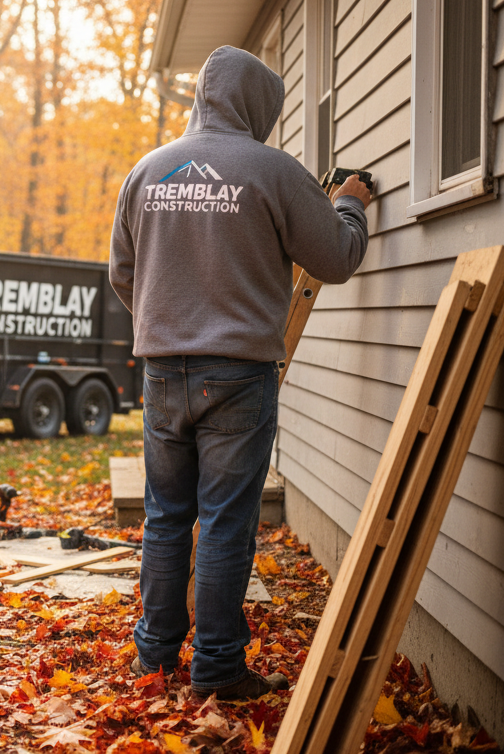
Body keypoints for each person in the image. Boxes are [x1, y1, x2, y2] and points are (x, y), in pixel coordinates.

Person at [109, 45, 372, 701]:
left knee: (168, 516)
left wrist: (166, 319)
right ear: (259, 106)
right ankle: (219, 668)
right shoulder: (272, 171)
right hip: (238, 377)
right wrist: (350, 204)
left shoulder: (148, 171)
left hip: (163, 372)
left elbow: (120, 272)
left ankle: (154, 655)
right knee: (225, 522)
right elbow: (336, 259)